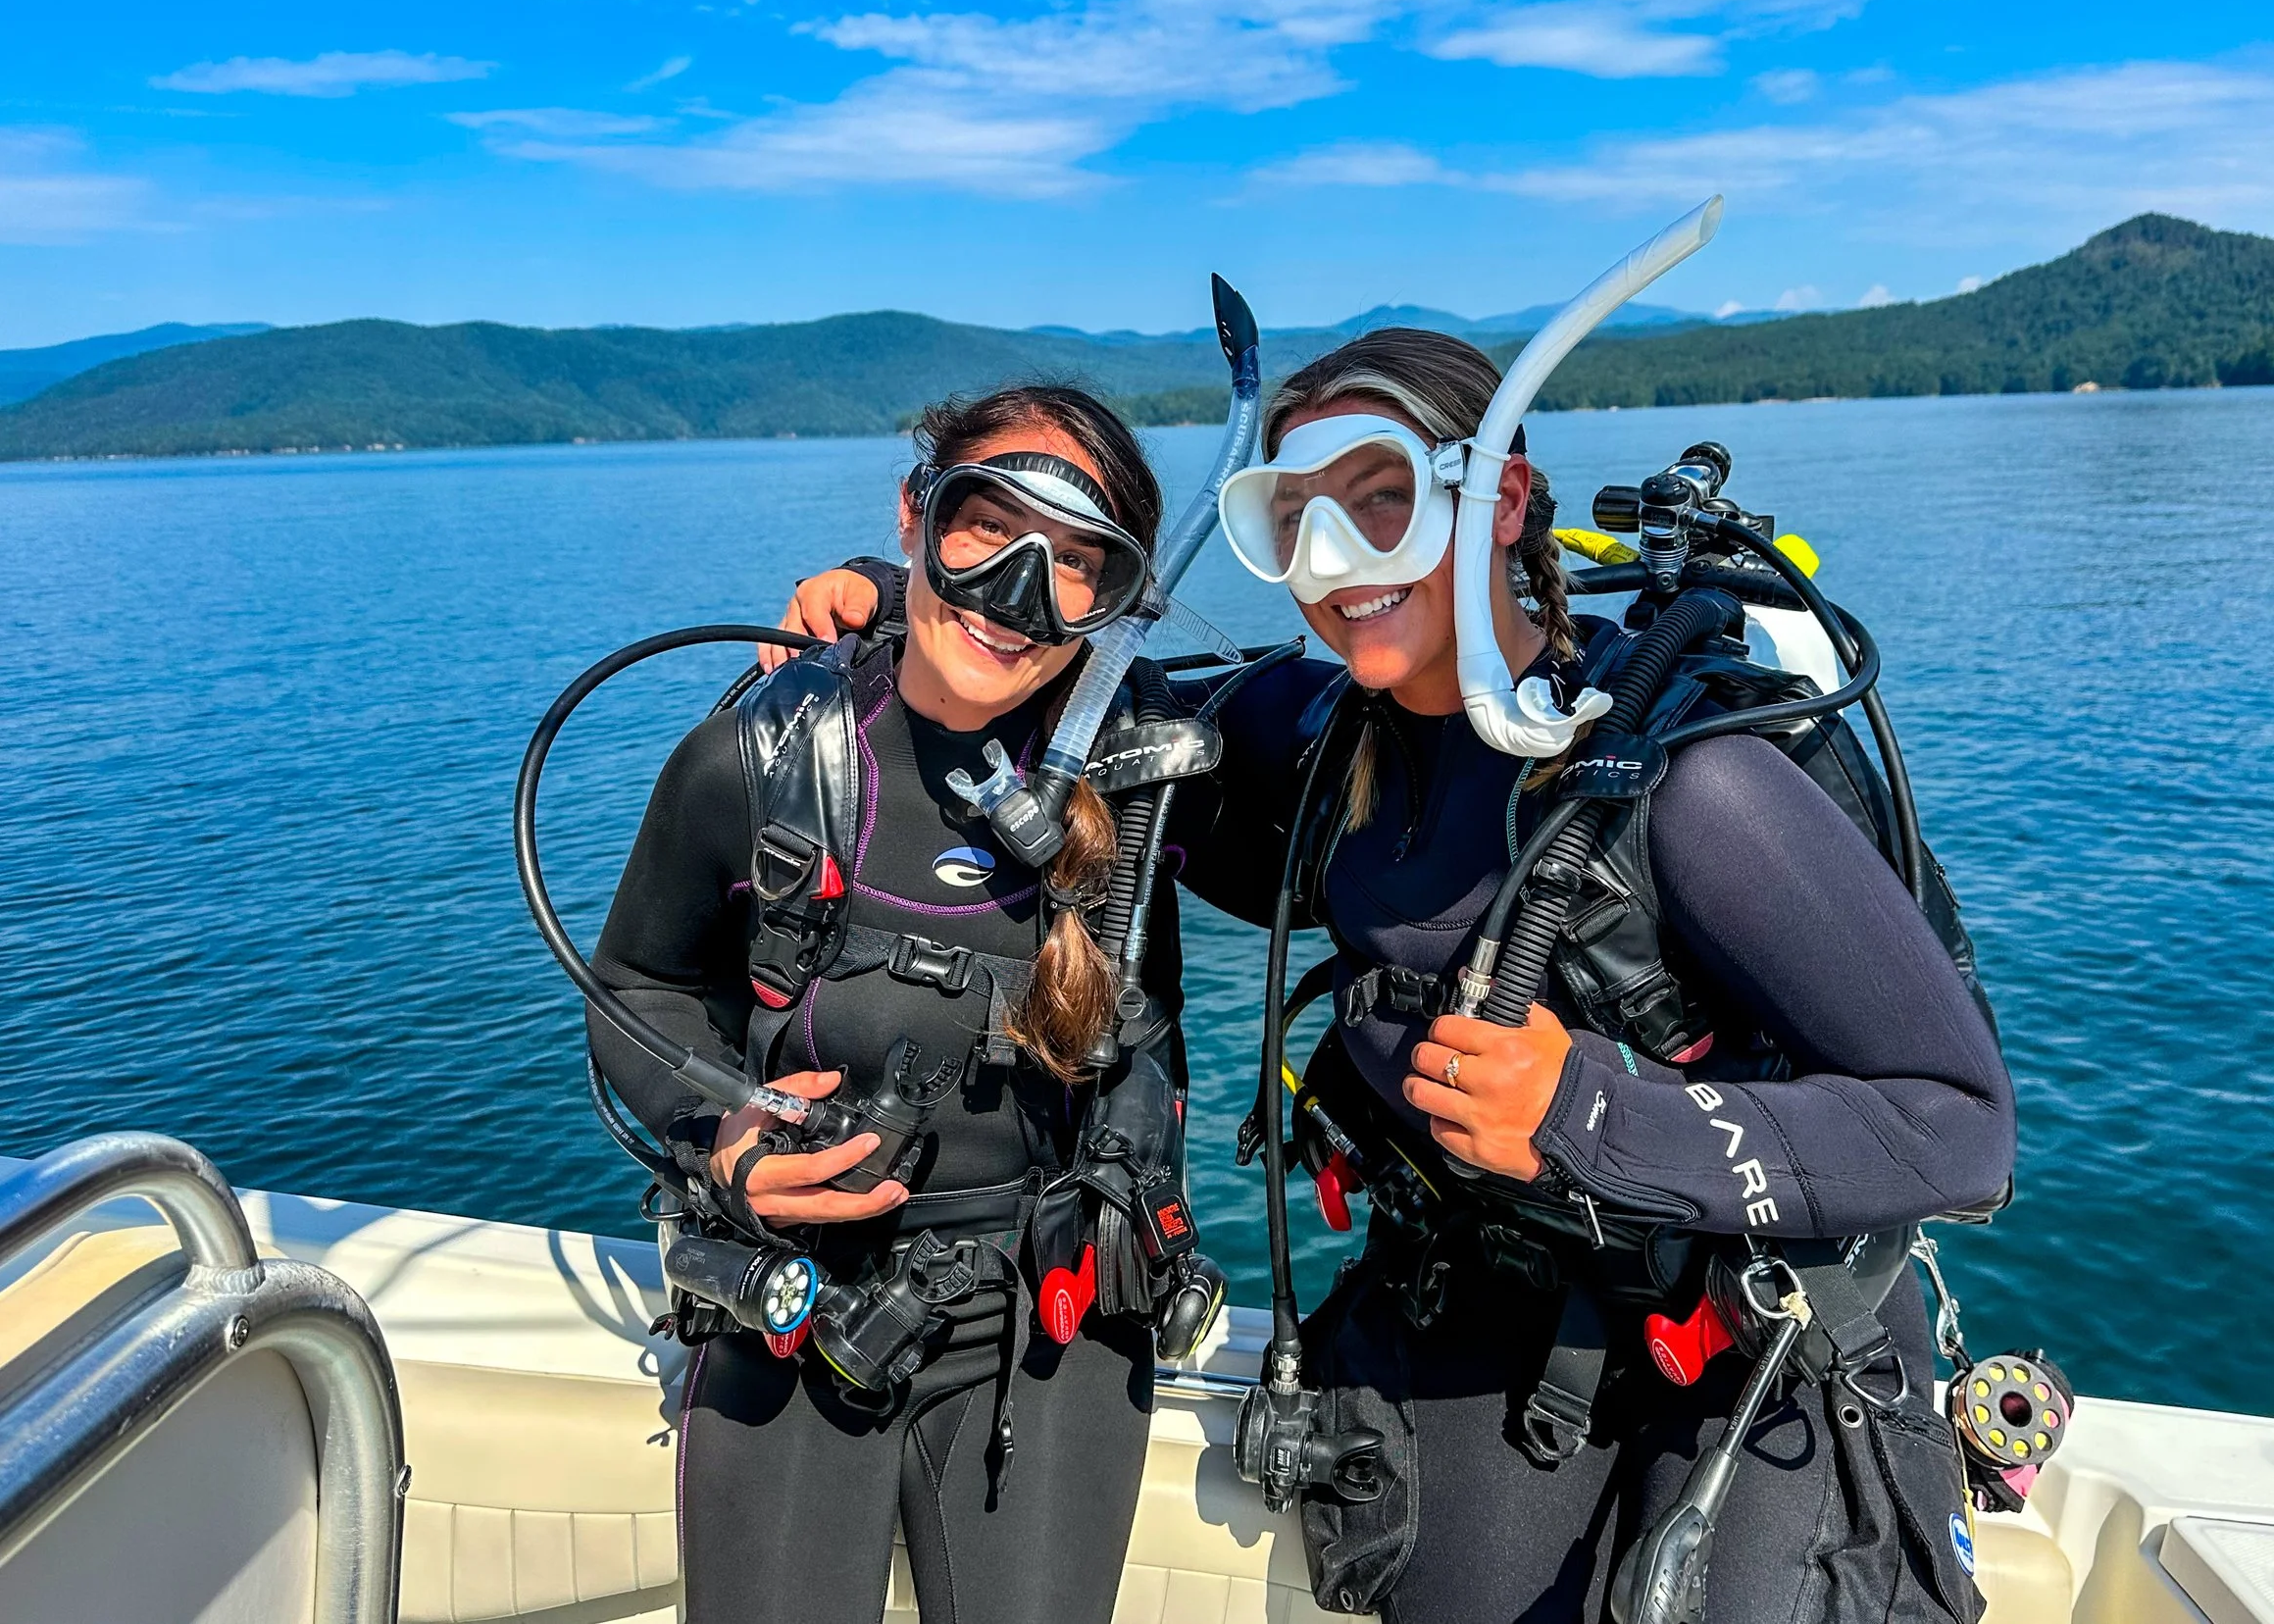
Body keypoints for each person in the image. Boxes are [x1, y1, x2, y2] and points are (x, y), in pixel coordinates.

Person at [778, 329, 2016, 1624]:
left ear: (1503, 500)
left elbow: (1963, 1124)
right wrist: (915, 590)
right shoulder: (1319, 739)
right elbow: (1091, 693)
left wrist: (1588, 1108)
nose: (1330, 561)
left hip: (1753, 1326)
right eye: (1291, 516)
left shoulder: (1693, 784)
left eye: (1381, 500)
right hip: (1496, 1292)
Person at [591, 384, 1224, 1624]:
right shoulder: (763, 758)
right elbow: (637, 986)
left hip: (1052, 1327)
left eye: (1078, 565)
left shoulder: (1148, 775)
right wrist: (719, 1141)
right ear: (914, 514)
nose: (1018, 594)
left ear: (1115, 604)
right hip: (799, 1300)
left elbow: (1381, 718)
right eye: (984, 528)